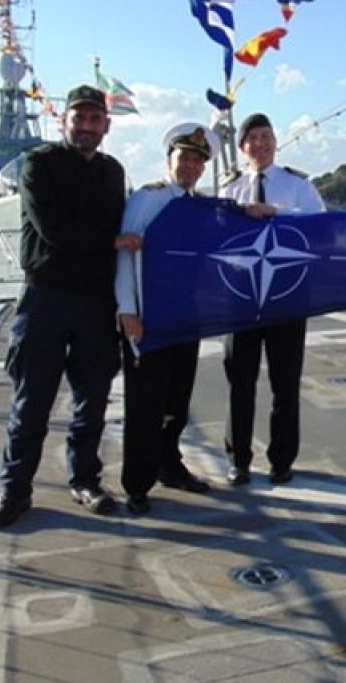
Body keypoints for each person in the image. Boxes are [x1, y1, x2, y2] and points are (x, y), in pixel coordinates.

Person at [0, 84, 128, 530]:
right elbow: (54, 231)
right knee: (32, 401)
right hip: (46, 297)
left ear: (106, 125)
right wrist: (109, 241)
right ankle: (15, 490)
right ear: (63, 121)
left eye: (94, 118)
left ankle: (85, 480)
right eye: (78, 117)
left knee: (93, 399)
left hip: (95, 301)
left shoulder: (112, 171)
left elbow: (117, 223)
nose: (86, 125)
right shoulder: (39, 164)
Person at [115, 122, 223, 514]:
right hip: (149, 316)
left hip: (185, 317)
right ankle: (137, 483)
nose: (191, 165)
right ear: (169, 160)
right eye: (185, 157)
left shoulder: (200, 205)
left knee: (177, 401)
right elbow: (125, 256)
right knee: (145, 404)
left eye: (198, 160)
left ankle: (170, 466)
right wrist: (127, 310)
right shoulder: (148, 199)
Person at [217, 113, 327, 486]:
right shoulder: (230, 188)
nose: (260, 145)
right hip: (241, 299)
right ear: (242, 146)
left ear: (276, 142)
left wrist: (276, 214)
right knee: (240, 383)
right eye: (253, 138)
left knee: (285, 384)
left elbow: (320, 227)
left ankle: (282, 460)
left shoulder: (298, 186)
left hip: (287, 297)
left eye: (266, 137)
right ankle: (238, 459)